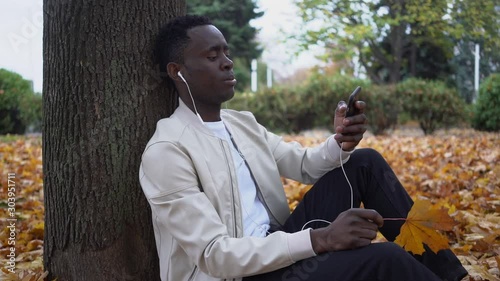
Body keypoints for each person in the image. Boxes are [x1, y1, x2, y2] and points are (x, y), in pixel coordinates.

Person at [139, 15, 468, 281]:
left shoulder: (241, 124)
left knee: (364, 162)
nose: (227, 63)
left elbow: (304, 164)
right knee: (385, 258)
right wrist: (321, 240)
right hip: (242, 274)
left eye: (226, 52)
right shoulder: (168, 150)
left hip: (282, 244)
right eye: (212, 56)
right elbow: (215, 255)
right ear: (177, 72)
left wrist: (340, 140)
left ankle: (451, 275)